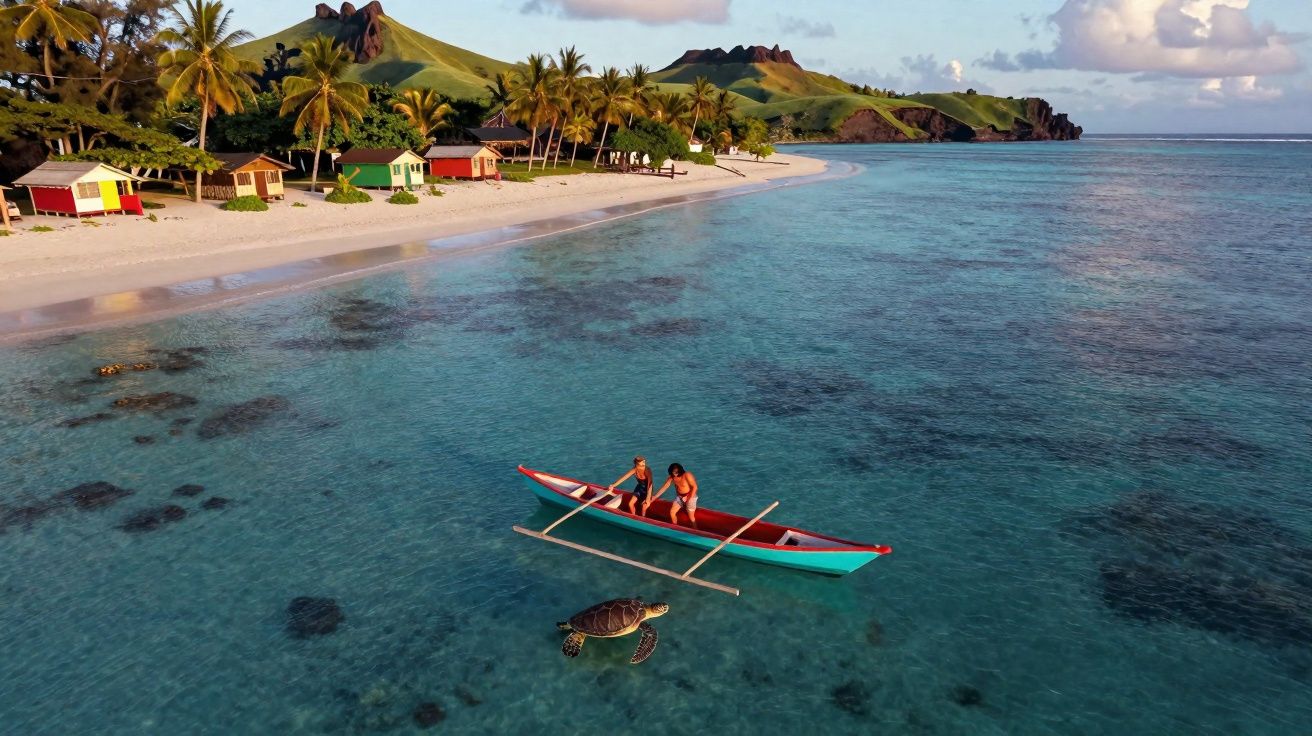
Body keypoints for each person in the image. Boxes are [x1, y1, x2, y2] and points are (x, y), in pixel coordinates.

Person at [650, 463, 698, 528]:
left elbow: (695, 487)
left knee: (691, 517)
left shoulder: (687, 475)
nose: (676, 473)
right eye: (674, 472)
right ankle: (676, 527)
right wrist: (655, 497)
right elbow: (664, 487)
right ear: (671, 471)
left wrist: (688, 499)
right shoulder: (671, 478)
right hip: (680, 497)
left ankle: (695, 531)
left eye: (677, 472)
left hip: (690, 495)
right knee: (672, 512)